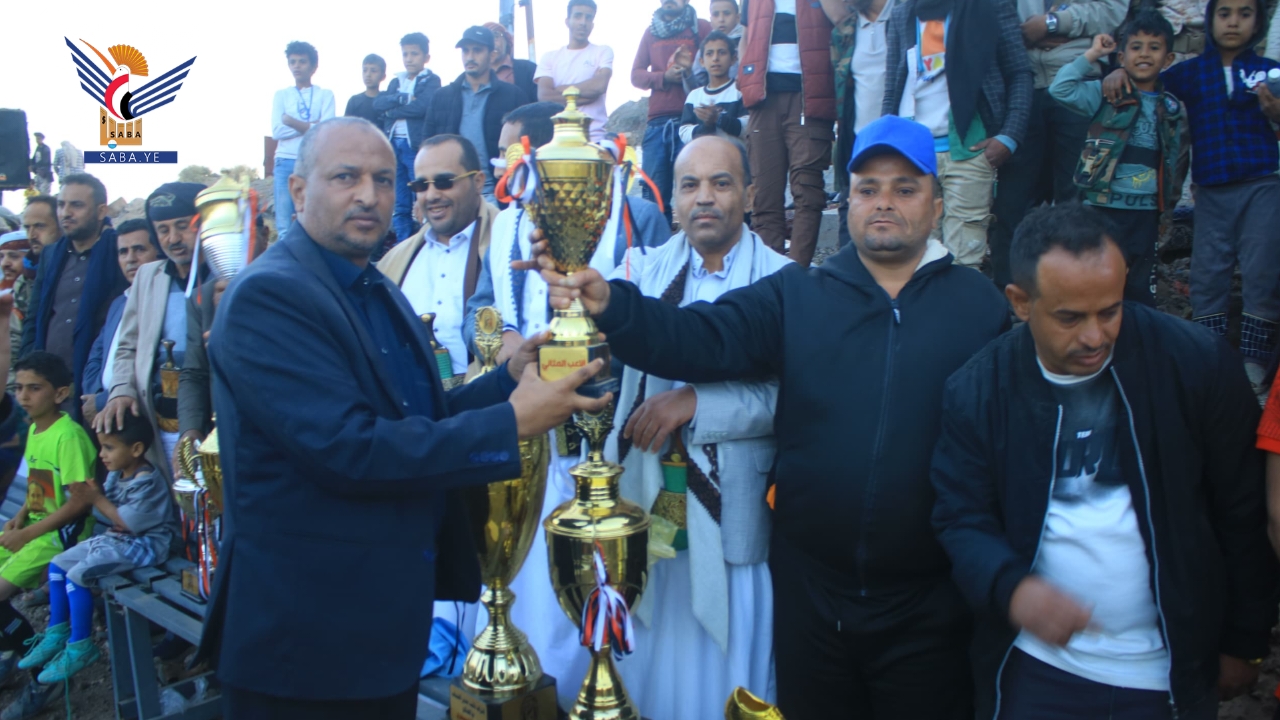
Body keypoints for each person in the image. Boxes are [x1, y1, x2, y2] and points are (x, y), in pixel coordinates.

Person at [526, 115, 1010, 719]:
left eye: (905, 189)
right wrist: (609, 303)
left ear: (936, 206)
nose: (884, 202)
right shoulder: (800, 294)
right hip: (812, 601)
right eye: (868, 188)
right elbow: (699, 336)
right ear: (847, 201)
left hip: (927, 607)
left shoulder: (979, 308)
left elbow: (999, 452)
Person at [191, 117, 609, 719]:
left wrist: (507, 382)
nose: (369, 194)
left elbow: (416, 418)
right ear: (299, 191)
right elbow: (352, 449)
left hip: (376, 635)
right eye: (346, 177)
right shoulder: (271, 295)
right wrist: (510, 423)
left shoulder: (370, 283)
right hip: (304, 647)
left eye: (384, 179)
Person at [932, 202, 1279, 719]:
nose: (1095, 336)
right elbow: (961, 516)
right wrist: (1012, 587)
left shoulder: (1195, 364)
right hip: (1036, 671)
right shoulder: (979, 390)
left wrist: (1245, 639)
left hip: (1168, 673)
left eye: (1110, 311)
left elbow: (1242, 509)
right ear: (1021, 302)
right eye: (1070, 317)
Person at [464, 103, 670, 709]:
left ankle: (605, 688)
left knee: (601, 568)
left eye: (514, 155)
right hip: (527, 420)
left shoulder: (633, 212)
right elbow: (482, 305)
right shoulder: (507, 224)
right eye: (501, 157)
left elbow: (659, 311)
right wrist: (507, 344)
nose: (506, 168)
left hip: (606, 421)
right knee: (530, 568)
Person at [599, 135, 785, 719]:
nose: (704, 197)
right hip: (646, 492)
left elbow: (791, 397)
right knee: (650, 662)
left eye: (721, 183)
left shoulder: (785, 280)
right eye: (689, 185)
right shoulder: (638, 272)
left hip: (734, 518)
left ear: (750, 194)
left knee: (727, 672)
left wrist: (697, 402)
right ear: (674, 200)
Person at [1106, 0, 1280, 395]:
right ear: (1210, 19)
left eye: (1245, 14)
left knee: (1261, 270)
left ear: (1258, 22)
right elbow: (1148, 79)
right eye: (1224, 13)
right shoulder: (1191, 72)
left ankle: (1254, 363)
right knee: (1208, 272)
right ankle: (1209, 356)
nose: (1233, 22)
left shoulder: (1268, 72)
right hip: (1212, 190)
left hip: (1262, 187)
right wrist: (1119, 71)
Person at [15, 412, 178, 686]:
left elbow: (126, 521)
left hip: (145, 545)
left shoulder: (147, 481)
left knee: (77, 575)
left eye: (109, 447)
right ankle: (56, 631)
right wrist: (96, 498)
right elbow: (113, 515)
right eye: (101, 447)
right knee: (58, 565)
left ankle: (81, 645)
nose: (102, 454)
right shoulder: (117, 473)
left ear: (136, 449)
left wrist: (95, 497)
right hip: (118, 538)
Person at [881, 0, 1034, 271]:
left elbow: (1019, 71)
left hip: (968, 150)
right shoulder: (903, 10)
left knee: (964, 260)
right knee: (916, 258)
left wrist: (1009, 136)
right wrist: (886, 142)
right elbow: (894, 82)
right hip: (911, 153)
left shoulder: (990, 5)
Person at [986, 0, 1127, 290]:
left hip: (1080, 82)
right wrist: (1023, 33)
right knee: (1011, 204)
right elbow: (989, 14)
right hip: (1021, 85)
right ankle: (1009, 298)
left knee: (1076, 202)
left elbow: (1112, 9)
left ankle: (1074, 292)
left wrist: (1054, 24)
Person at [1048, 14, 1187, 306]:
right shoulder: (1107, 93)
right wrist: (1094, 55)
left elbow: (1175, 160)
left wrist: (1167, 210)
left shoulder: (1172, 108)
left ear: (1168, 59)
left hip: (1145, 212)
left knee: (1138, 286)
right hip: (1102, 207)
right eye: (1136, 47)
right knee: (1094, 277)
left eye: (1154, 48)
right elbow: (1060, 88)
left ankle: (1135, 332)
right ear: (1122, 56)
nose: (1144, 54)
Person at [95, 183, 209, 478]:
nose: (173, 239)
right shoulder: (149, 276)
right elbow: (127, 345)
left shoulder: (223, 278)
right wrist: (121, 390)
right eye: (163, 230)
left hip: (208, 423)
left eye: (182, 226)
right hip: (156, 421)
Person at [0, 353, 95, 695]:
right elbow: (41, 485)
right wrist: (21, 515)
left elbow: (80, 501)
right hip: (37, 527)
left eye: (34, 388)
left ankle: (43, 679)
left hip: (60, 536)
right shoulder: (35, 429)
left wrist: (27, 533)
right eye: (18, 388)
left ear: (60, 393)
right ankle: (13, 653)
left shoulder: (67, 437)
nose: (23, 396)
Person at [377, 135, 498, 378]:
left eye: (444, 182)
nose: (431, 195)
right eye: (421, 186)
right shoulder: (393, 261)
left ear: (478, 182)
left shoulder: (508, 245)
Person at [738, 0, 839, 269]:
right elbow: (746, 37)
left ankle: (796, 275)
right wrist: (744, 81)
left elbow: (843, 20)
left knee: (808, 192)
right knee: (764, 198)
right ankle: (770, 280)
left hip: (811, 97)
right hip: (763, 99)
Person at [19, 174, 128, 421]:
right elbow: (34, 317)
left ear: (101, 211)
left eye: (76, 205)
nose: (65, 213)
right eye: (61, 205)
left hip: (94, 387)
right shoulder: (51, 255)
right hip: (48, 387)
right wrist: (29, 368)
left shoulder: (119, 252)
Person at [423, 26, 530, 204]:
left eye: (477, 50)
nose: (470, 57)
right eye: (465, 51)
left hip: (498, 191)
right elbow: (427, 148)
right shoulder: (442, 97)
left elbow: (525, 146)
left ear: (491, 54)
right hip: (450, 192)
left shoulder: (513, 96)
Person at [632, 0, 712, 221]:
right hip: (656, 123)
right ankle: (658, 242)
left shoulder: (701, 27)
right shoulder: (650, 32)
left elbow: (715, 68)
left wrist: (689, 74)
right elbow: (636, 75)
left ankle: (694, 242)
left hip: (692, 121)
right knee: (654, 198)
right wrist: (664, 77)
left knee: (694, 192)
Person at [80, 219, 159, 430]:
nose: (130, 259)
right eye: (123, 252)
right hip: (109, 417)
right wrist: (96, 395)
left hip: (143, 417)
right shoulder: (119, 303)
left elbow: (155, 369)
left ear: (158, 251)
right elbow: (96, 356)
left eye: (139, 249)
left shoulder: (165, 301)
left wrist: (103, 400)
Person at [830, 0, 895, 249]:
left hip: (900, 139)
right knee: (852, 210)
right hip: (858, 139)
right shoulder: (844, 31)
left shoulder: (907, 15)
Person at [374, 33, 442, 243]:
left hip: (415, 147)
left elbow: (423, 106)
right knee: (400, 201)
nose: (409, 59)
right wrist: (402, 98)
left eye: (414, 54)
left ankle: (425, 242)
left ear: (426, 57)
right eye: (405, 54)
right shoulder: (397, 81)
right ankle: (403, 244)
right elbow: (378, 104)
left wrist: (392, 111)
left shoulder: (431, 80)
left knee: (422, 195)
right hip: (394, 145)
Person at [271, 41, 337, 238]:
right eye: (293, 62)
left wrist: (291, 121)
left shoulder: (325, 94)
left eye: (302, 62)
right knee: (284, 224)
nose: (297, 66)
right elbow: (277, 131)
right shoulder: (281, 95)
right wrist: (311, 126)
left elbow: (326, 131)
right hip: (285, 160)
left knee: (313, 218)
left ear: (313, 66)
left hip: (312, 161)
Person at [536, 0, 615, 142]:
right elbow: (545, 96)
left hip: (593, 137)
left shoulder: (602, 51)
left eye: (588, 17)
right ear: (567, 21)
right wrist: (587, 94)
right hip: (557, 139)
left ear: (592, 24)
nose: (583, 22)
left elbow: (599, 86)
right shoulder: (550, 57)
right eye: (578, 16)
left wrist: (559, 89)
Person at [678, 32, 747, 144]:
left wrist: (718, 118)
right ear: (702, 62)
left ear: (733, 59)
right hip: (703, 153)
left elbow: (747, 127)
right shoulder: (694, 96)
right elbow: (684, 132)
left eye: (722, 53)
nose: (715, 58)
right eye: (709, 54)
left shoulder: (740, 91)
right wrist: (706, 125)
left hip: (733, 153)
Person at [685, 0, 744, 87]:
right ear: (711, 19)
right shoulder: (706, 47)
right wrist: (687, 72)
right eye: (716, 14)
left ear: (738, 17)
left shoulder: (747, 42)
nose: (721, 19)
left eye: (727, 13)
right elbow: (697, 86)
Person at [0, 232, 29, 392]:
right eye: (1, 257)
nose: (5, 263)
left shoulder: (32, 295)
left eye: (14, 256)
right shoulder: (4, 292)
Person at [486, 22, 540, 102]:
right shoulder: (474, 76)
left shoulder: (529, 69)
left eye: (495, 36)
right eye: (486, 40)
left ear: (507, 40)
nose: (491, 43)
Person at [344, 53, 388, 127]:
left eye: (373, 71)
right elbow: (346, 127)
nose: (368, 75)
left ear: (383, 76)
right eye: (365, 70)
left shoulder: (387, 101)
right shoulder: (354, 101)